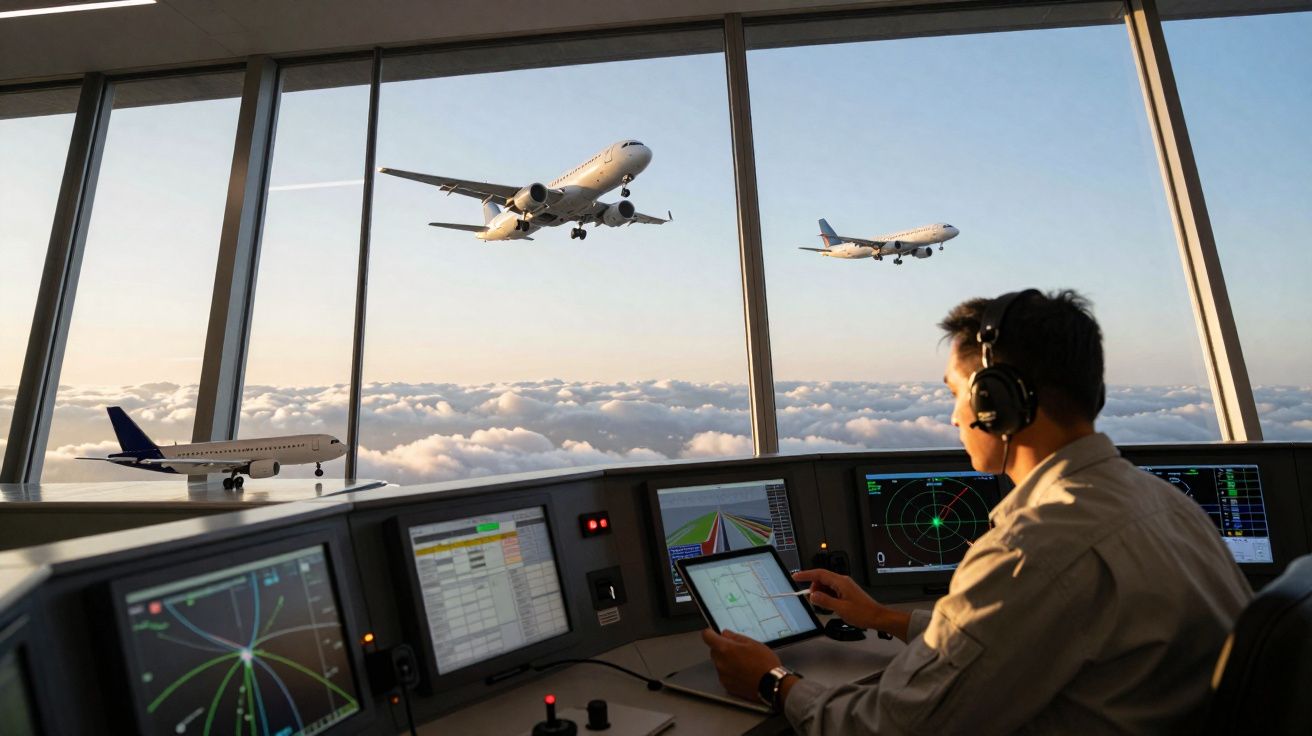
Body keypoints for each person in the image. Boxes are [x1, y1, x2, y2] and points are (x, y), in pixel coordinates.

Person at [701, 289, 1252, 734]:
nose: (952, 417)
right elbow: (1023, 639)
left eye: (956, 394)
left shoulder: (1034, 550)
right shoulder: (1164, 503)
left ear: (996, 401)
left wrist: (771, 682)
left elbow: (887, 728)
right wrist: (883, 619)